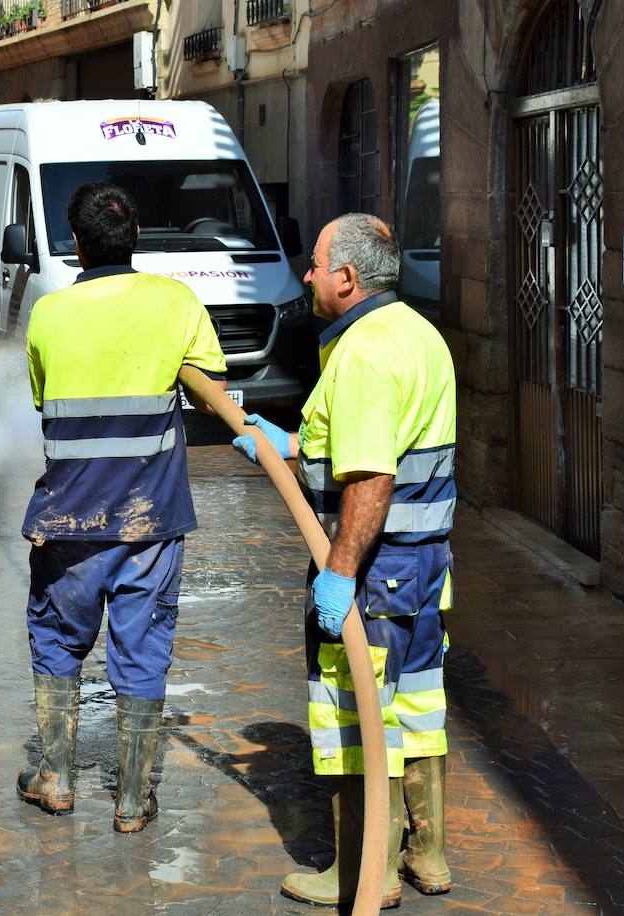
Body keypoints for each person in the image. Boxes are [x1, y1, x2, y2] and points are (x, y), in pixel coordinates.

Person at [233, 213, 455, 908]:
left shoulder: (361, 354)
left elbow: (371, 480)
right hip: (421, 566)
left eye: (317, 264)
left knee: (358, 716)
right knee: (416, 704)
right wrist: (294, 445)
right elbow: (384, 440)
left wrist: (340, 572)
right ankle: (428, 854)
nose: (307, 275)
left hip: (375, 569)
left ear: (348, 278)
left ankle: (367, 872)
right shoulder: (418, 335)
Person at [16, 182, 227, 833]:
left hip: (68, 522)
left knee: (56, 642)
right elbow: (211, 387)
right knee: (143, 650)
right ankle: (132, 799)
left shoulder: (49, 314)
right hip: (150, 523)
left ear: (75, 243)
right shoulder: (175, 301)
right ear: (135, 238)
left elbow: (42, 402)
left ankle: (54, 778)